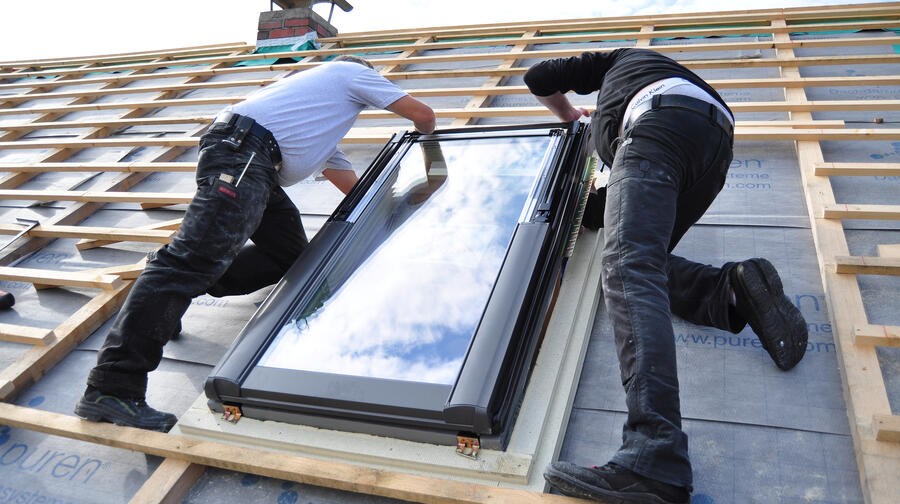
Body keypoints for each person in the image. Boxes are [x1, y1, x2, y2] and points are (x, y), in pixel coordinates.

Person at [75, 55, 436, 432]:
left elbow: (358, 190)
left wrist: (404, 204)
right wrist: (434, 163)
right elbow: (422, 115)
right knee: (185, 264)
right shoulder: (349, 71)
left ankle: (176, 290)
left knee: (293, 259)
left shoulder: (318, 126)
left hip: (258, 169)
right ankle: (111, 388)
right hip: (245, 156)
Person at [524, 48, 808, 504]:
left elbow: (538, 75)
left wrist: (570, 113)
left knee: (627, 269)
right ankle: (732, 290)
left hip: (656, 127)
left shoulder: (615, 60)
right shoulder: (650, 68)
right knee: (645, 265)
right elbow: (610, 216)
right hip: (713, 143)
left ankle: (654, 458)